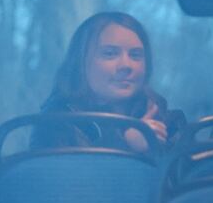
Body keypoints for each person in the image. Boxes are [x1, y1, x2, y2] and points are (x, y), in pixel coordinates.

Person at [30, 11, 185, 152]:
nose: (126, 65)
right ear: (80, 62)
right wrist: (126, 145)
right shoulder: (55, 124)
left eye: (135, 55)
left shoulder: (167, 120)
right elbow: (66, 181)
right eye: (110, 54)